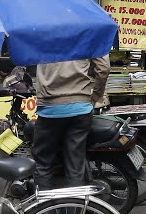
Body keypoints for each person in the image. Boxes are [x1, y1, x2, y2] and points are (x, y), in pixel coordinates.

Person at [33, 56, 110, 189]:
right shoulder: (87, 34)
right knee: (75, 166)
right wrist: (96, 95)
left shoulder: (40, 34)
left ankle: (44, 209)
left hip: (50, 107)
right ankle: (76, 208)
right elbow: (103, 68)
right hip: (81, 108)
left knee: (43, 165)